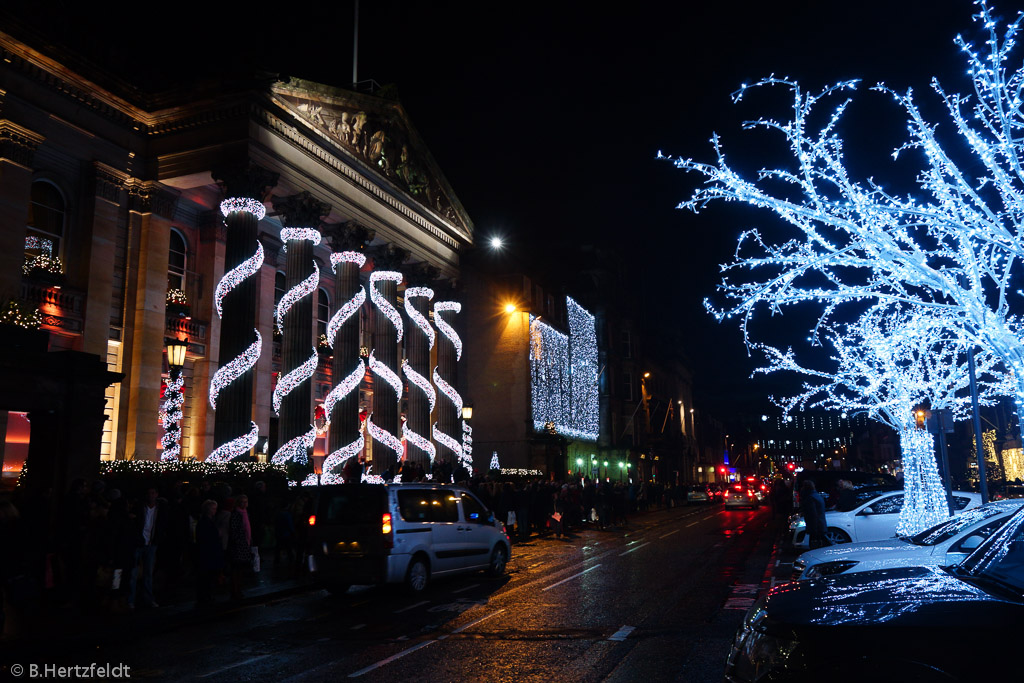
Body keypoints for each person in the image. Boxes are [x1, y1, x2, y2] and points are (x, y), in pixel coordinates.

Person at [127, 488, 165, 609]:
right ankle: (135, 599)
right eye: (149, 493)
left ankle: (138, 599)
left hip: (149, 542)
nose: (151, 495)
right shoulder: (144, 508)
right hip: (143, 542)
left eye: (153, 493)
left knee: (145, 573)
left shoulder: (156, 509)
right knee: (138, 573)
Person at [195, 499, 223, 607]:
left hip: (206, 552)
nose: (215, 511)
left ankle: (205, 595)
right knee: (206, 576)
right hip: (208, 552)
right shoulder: (206, 522)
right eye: (213, 508)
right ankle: (205, 596)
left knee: (206, 576)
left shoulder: (205, 521)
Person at [227, 494, 253, 600]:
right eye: (242, 502)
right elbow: (234, 530)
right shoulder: (237, 514)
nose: (244, 504)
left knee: (240, 569)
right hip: (239, 545)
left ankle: (238, 590)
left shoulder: (245, 513)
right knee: (236, 569)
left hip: (244, 543)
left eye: (246, 501)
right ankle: (235, 590)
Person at [800, 480, 830, 549]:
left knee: (815, 545)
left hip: (815, 526)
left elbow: (813, 514)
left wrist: (813, 529)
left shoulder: (810, 498)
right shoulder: (816, 496)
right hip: (819, 524)